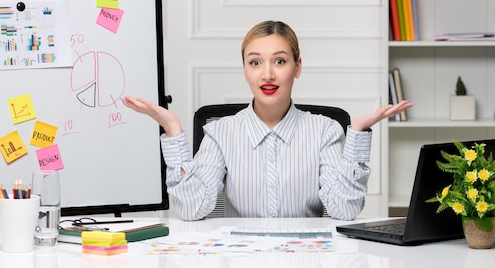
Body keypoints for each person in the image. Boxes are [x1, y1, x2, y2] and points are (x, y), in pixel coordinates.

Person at [122, 20, 413, 221]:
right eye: (255, 62)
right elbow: (193, 209)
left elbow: (344, 210)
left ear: (297, 68)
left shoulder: (325, 130)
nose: (267, 75)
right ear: (245, 69)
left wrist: (358, 136)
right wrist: (173, 133)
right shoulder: (219, 132)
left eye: (280, 61)